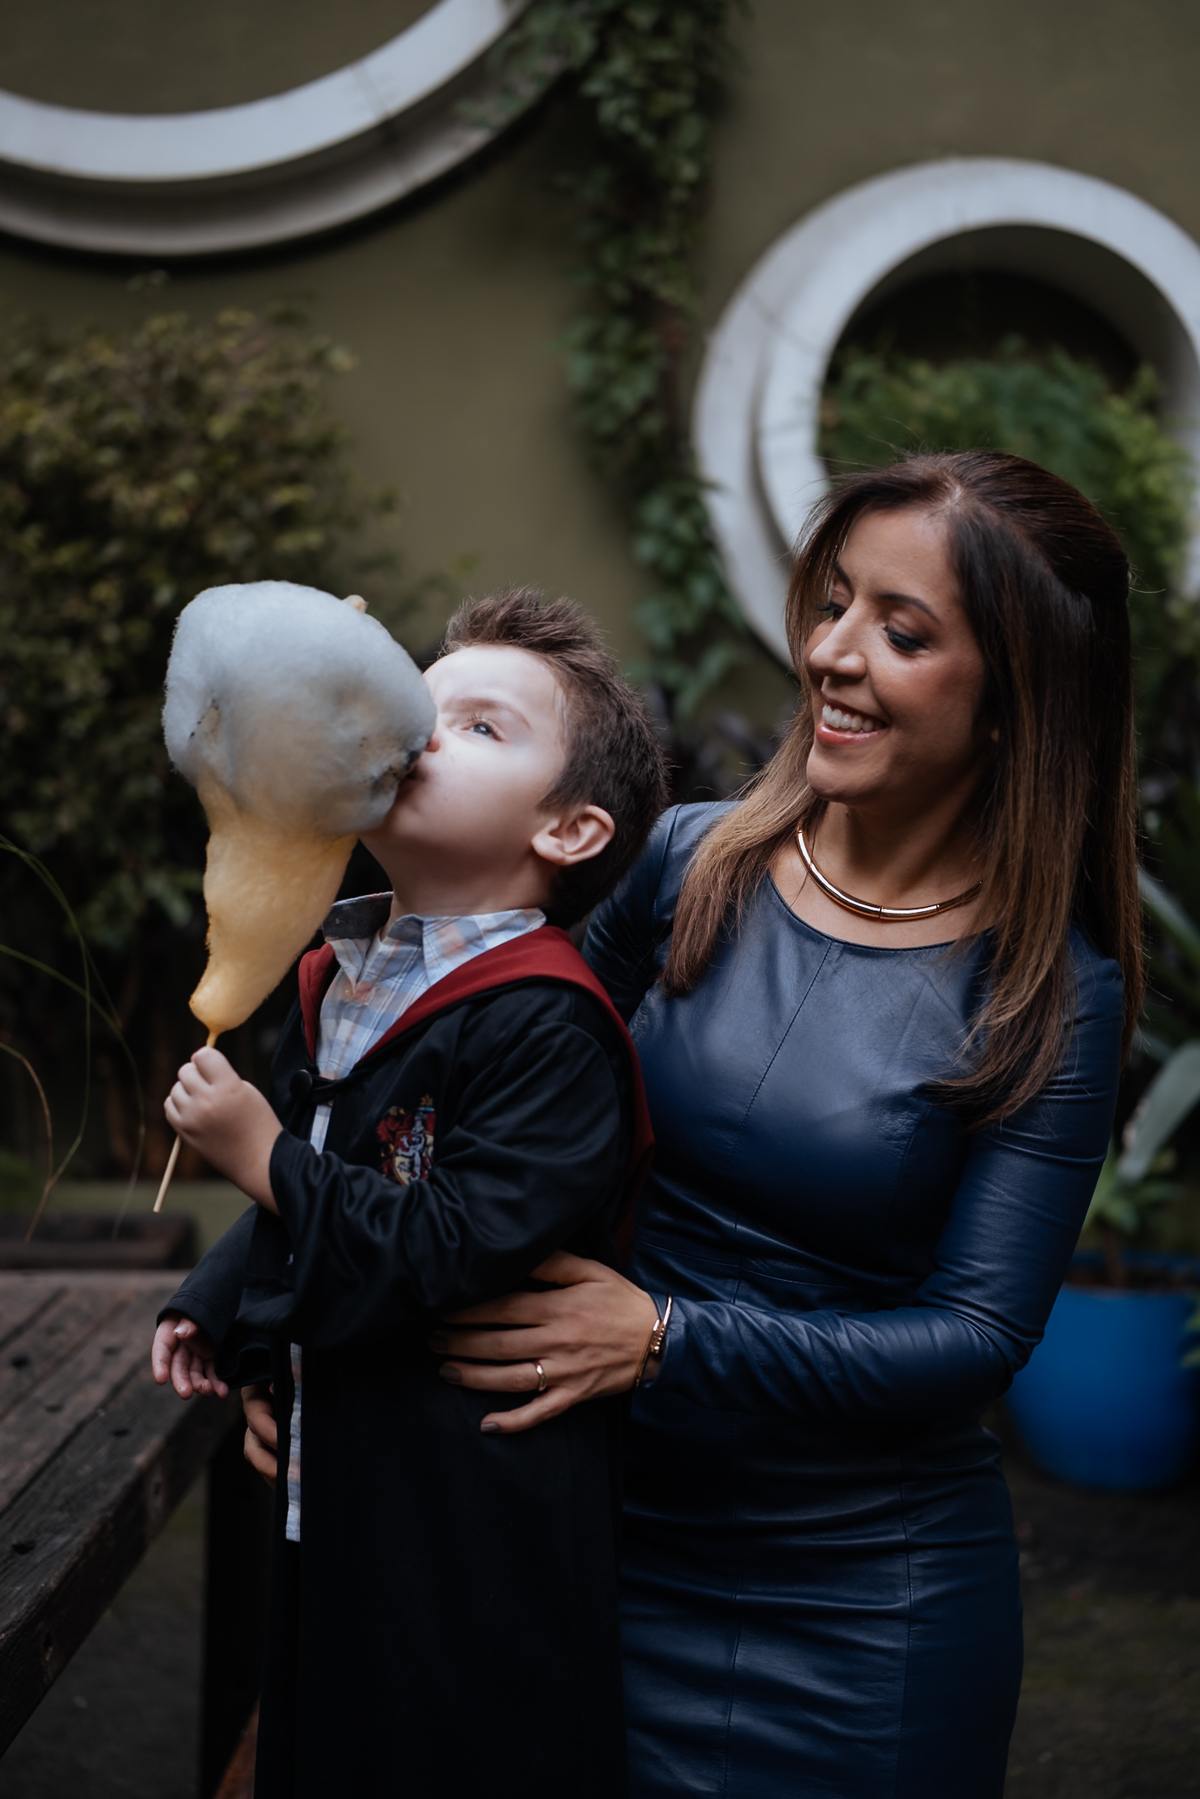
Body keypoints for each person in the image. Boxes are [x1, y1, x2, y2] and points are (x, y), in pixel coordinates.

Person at [432, 453, 1141, 1797]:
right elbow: (474, 1108)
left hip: (863, 1612)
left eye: (903, 629)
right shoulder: (682, 865)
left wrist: (666, 1335)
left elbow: (977, 1337)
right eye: (834, 602)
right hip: (592, 1544)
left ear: (1016, 704)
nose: (831, 651)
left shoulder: (1050, 990)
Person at [149, 589, 667, 1799]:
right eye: (416, 707)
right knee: (327, 1723)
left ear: (573, 830)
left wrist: (259, 1147)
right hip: (343, 1473)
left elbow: (447, 1247)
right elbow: (318, 1179)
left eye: (481, 728)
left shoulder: (551, 1026)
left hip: (475, 1509)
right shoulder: (340, 967)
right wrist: (216, 1299)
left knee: (456, 1740)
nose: (419, 731)